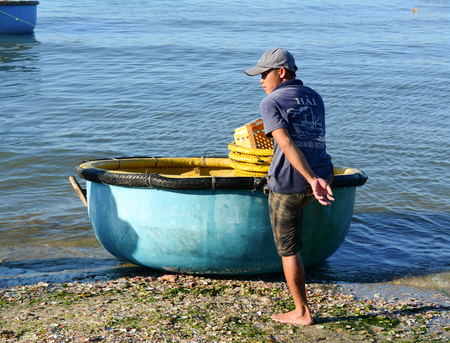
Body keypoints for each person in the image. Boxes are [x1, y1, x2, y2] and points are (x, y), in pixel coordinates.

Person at [245, 48, 334, 326]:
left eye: (264, 74)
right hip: (325, 173)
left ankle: (302, 312)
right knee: (296, 233)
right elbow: (310, 137)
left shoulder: (270, 101)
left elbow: (286, 143)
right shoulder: (315, 96)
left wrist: (309, 179)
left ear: (281, 72)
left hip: (293, 183)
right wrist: (317, 179)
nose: (261, 80)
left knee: (288, 249)